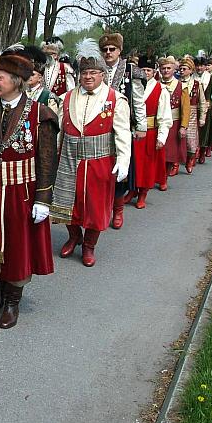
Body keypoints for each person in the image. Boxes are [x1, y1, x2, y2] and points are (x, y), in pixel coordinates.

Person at [0, 48, 59, 329]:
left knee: (17, 249)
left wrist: (43, 199)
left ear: (17, 81)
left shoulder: (41, 115)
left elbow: (46, 161)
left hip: (22, 193)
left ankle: (12, 300)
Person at [50, 38, 131, 267]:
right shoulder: (67, 97)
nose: (88, 77)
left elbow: (123, 133)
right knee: (68, 203)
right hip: (69, 159)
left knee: (95, 208)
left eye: (93, 73)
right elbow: (58, 131)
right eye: (84, 73)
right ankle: (74, 236)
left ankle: (89, 245)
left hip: (100, 162)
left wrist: (123, 161)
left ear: (102, 75)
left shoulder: (115, 99)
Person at [99, 32, 146, 230]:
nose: (108, 53)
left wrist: (141, 125)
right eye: (105, 50)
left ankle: (118, 210)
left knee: (120, 170)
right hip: (99, 127)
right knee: (101, 171)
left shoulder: (131, 70)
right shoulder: (96, 68)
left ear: (120, 50)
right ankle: (102, 209)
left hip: (122, 126)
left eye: (112, 49)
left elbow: (138, 100)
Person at [130, 55, 171, 208]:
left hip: (150, 132)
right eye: (143, 69)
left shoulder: (161, 90)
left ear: (154, 72)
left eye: (148, 70)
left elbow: (165, 116)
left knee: (146, 165)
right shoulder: (133, 85)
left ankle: (143, 194)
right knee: (133, 164)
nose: (146, 73)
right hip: (133, 131)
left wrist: (162, 137)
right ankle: (132, 190)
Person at [161, 57, 191, 181]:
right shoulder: (155, 84)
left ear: (174, 70)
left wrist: (183, 126)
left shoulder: (181, 86)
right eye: (163, 68)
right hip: (159, 122)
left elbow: (186, 109)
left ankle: (164, 178)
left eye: (169, 68)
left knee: (170, 153)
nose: (166, 70)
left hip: (174, 122)